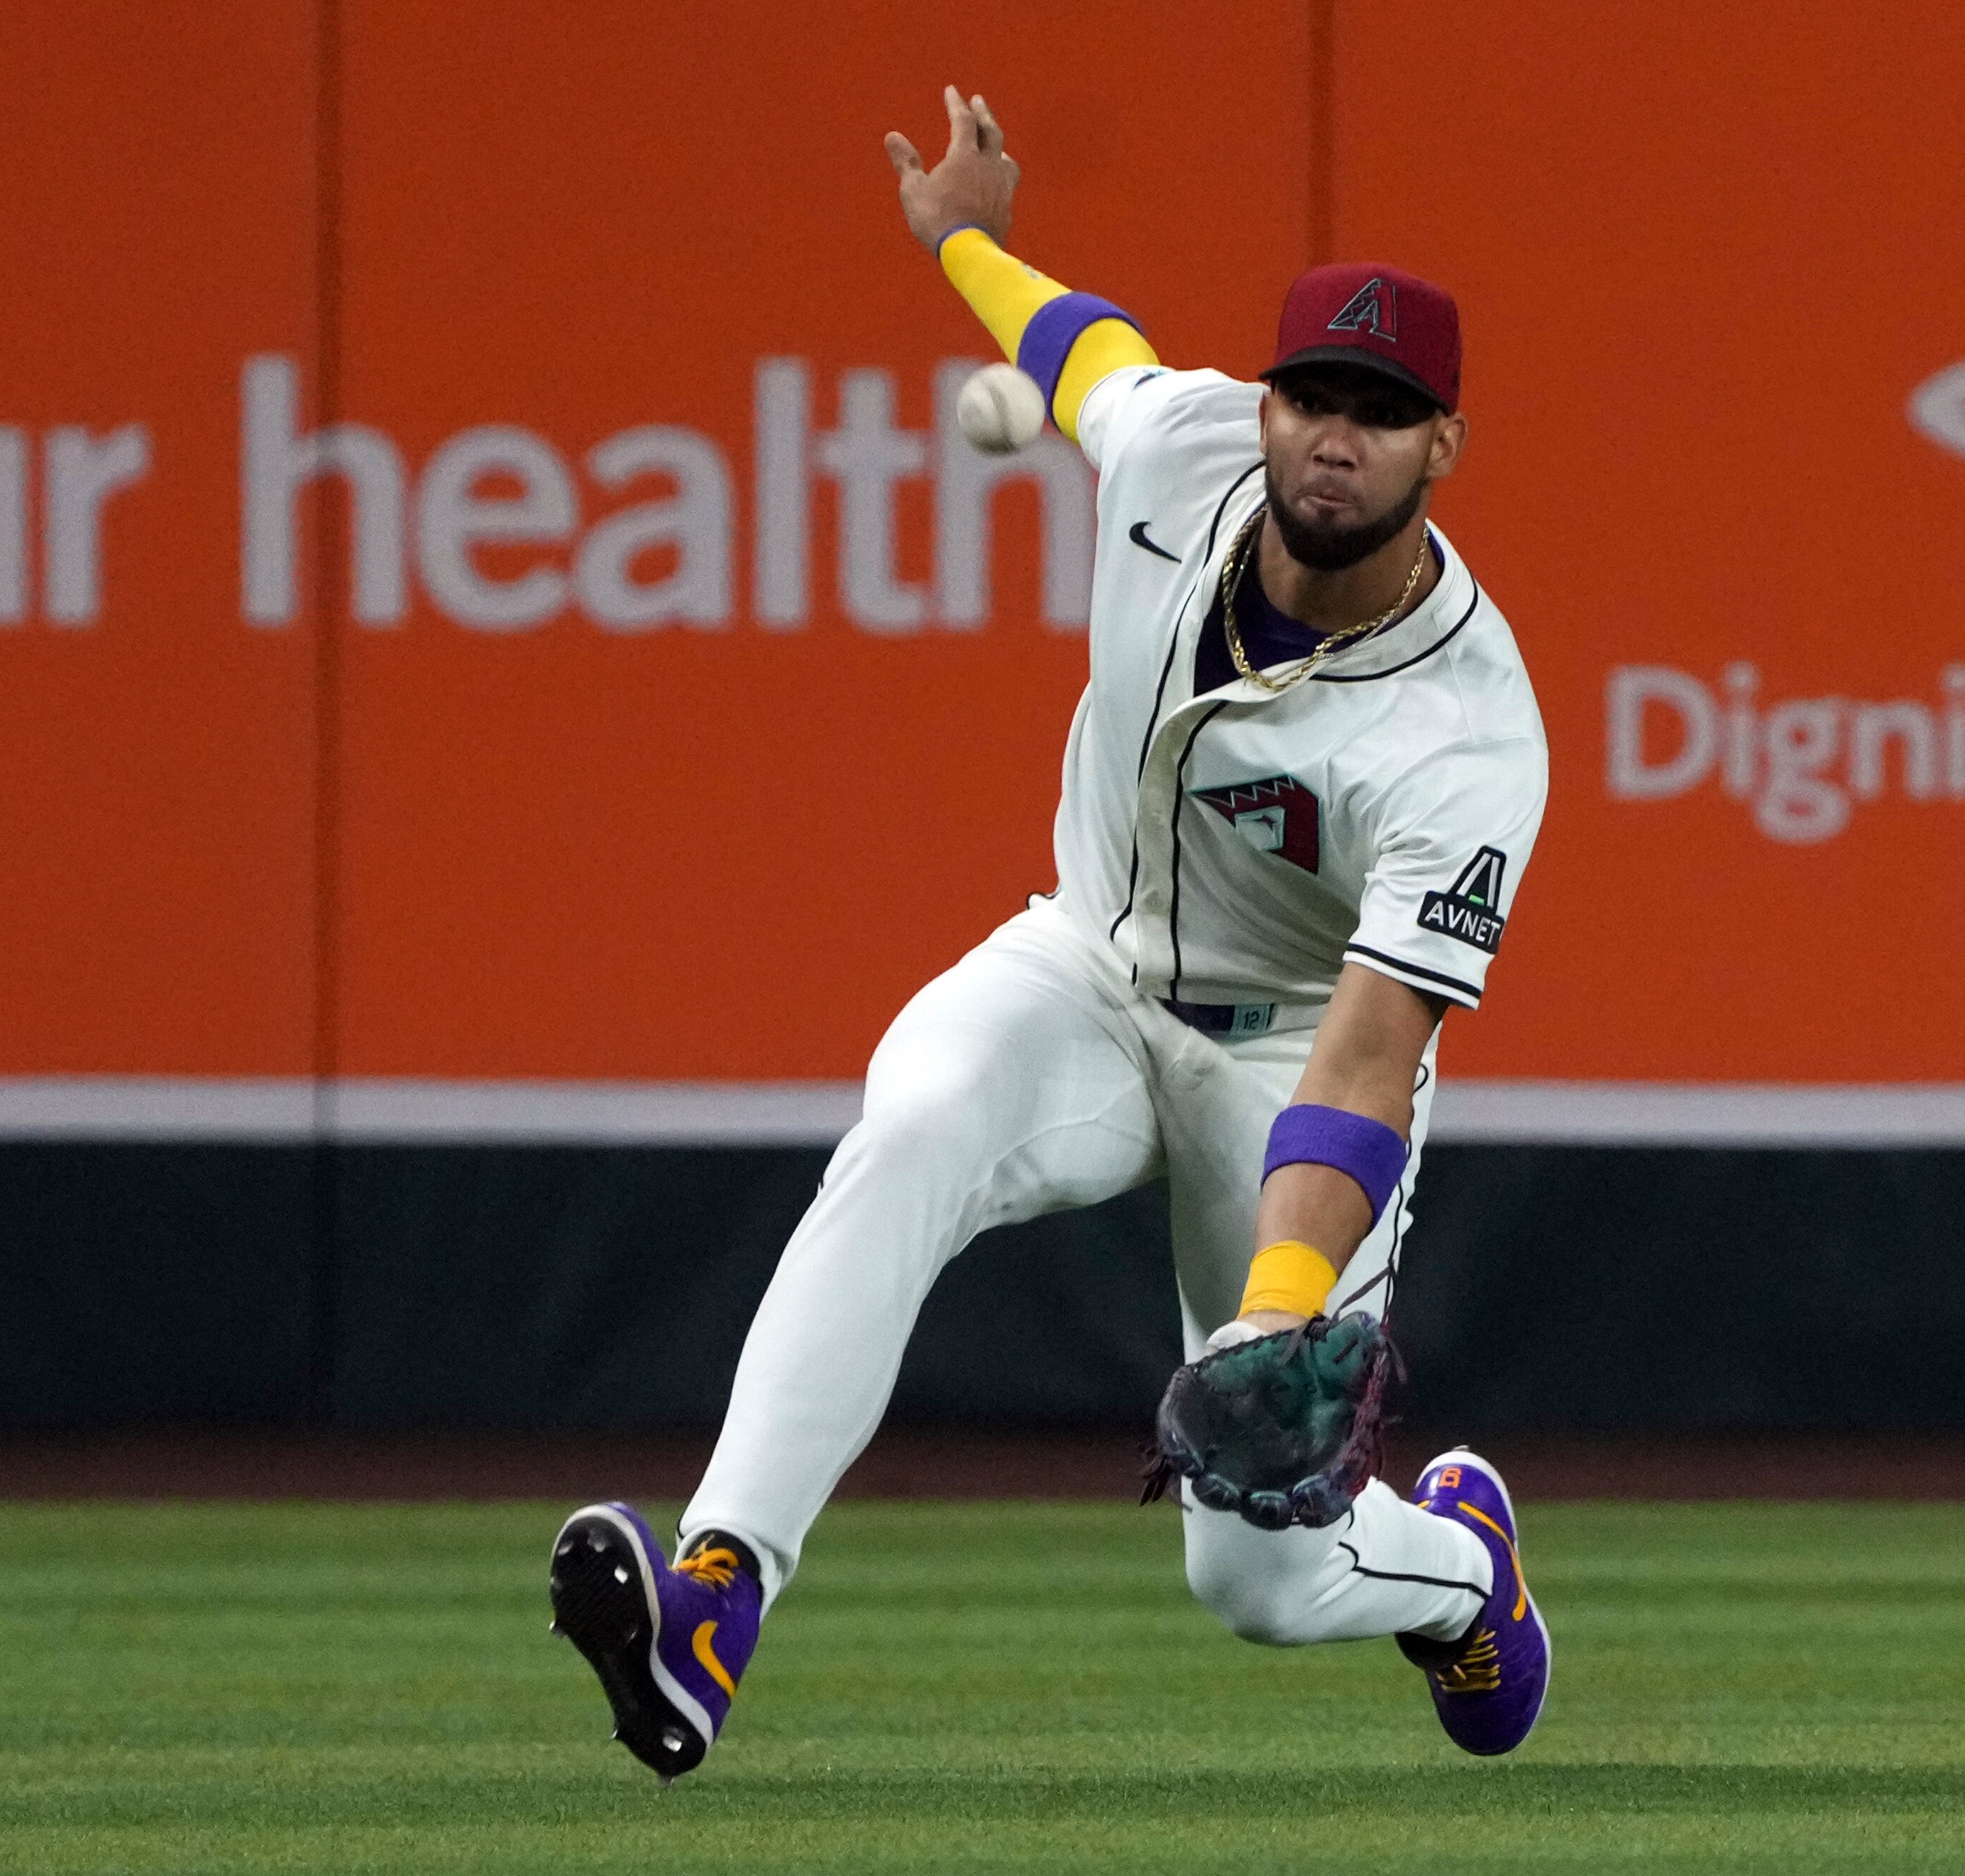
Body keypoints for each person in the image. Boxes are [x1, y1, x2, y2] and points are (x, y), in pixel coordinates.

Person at [549, 85, 1551, 1783]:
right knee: (917, 1120)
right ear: (1267, 401)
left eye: (1384, 413)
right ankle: (714, 1597)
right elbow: (1085, 346)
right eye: (1314, 394)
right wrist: (963, 237)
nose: (1336, 435)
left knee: (1260, 1575)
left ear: (1443, 444)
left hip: (1289, 1051)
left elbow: (1373, 1047)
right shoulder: (1180, 445)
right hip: (1085, 965)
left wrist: (1278, 1307)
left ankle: (1462, 1570)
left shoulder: (1468, 733)